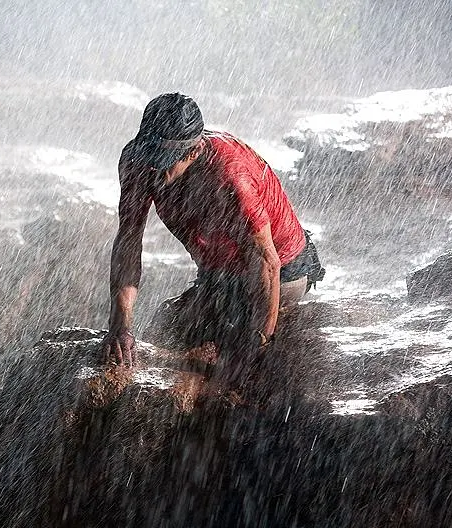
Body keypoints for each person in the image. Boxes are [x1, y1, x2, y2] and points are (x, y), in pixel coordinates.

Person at [101, 93, 324, 366]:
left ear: (194, 152)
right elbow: (129, 241)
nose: (152, 168)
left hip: (284, 271)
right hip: (220, 273)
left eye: (163, 162)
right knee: (166, 325)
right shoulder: (137, 161)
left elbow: (266, 260)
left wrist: (260, 342)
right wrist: (120, 326)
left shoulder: (230, 175)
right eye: (149, 155)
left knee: (225, 350)